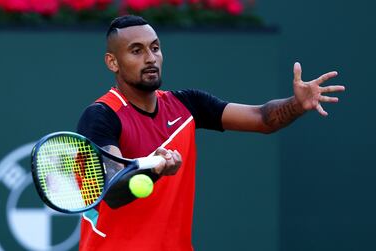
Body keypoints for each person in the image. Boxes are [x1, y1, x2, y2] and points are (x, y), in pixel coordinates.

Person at [77, 15, 345, 251]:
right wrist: (155, 170)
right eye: (136, 51)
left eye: (155, 48)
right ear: (112, 62)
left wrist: (296, 105)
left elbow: (263, 119)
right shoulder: (101, 116)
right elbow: (111, 191)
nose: (150, 58)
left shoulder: (188, 104)